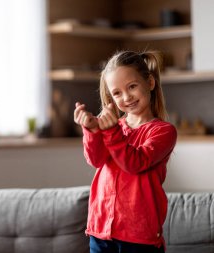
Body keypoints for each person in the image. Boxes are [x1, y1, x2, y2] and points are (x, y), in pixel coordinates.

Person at [73, 50, 177, 253]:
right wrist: (92, 130)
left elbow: (135, 163)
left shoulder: (163, 131)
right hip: (101, 228)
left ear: (150, 83)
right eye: (117, 92)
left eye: (132, 86)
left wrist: (110, 132)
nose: (126, 97)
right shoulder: (113, 128)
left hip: (139, 235)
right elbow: (96, 159)